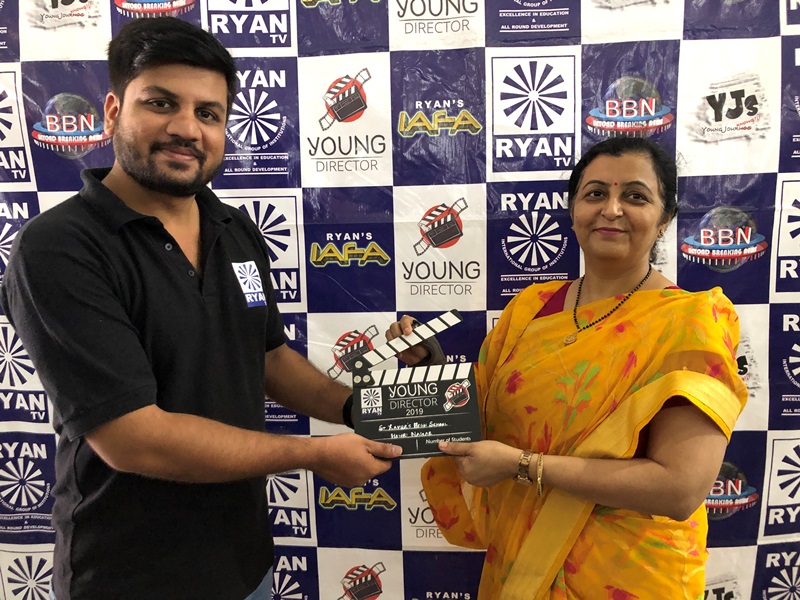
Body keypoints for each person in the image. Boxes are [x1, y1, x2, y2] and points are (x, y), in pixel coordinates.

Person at [0, 17, 401, 600]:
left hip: (245, 566)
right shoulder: (60, 247)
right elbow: (134, 438)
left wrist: (360, 410)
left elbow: (268, 358)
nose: (187, 128)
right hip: (129, 578)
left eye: (208, 113)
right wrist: (313, 454)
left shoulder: (233, 228)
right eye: (161, 103)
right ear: (112, 111)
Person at [386, 137, 747, 599]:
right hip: (518, 560)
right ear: (574, 210)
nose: (611, 209)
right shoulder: (531, 307)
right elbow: (482, 418)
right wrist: (429, 366)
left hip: (626, 576)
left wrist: (521, 466)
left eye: (635, 196)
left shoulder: (689, 323)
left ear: (665, 220)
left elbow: (679, 489)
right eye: (595, 193)